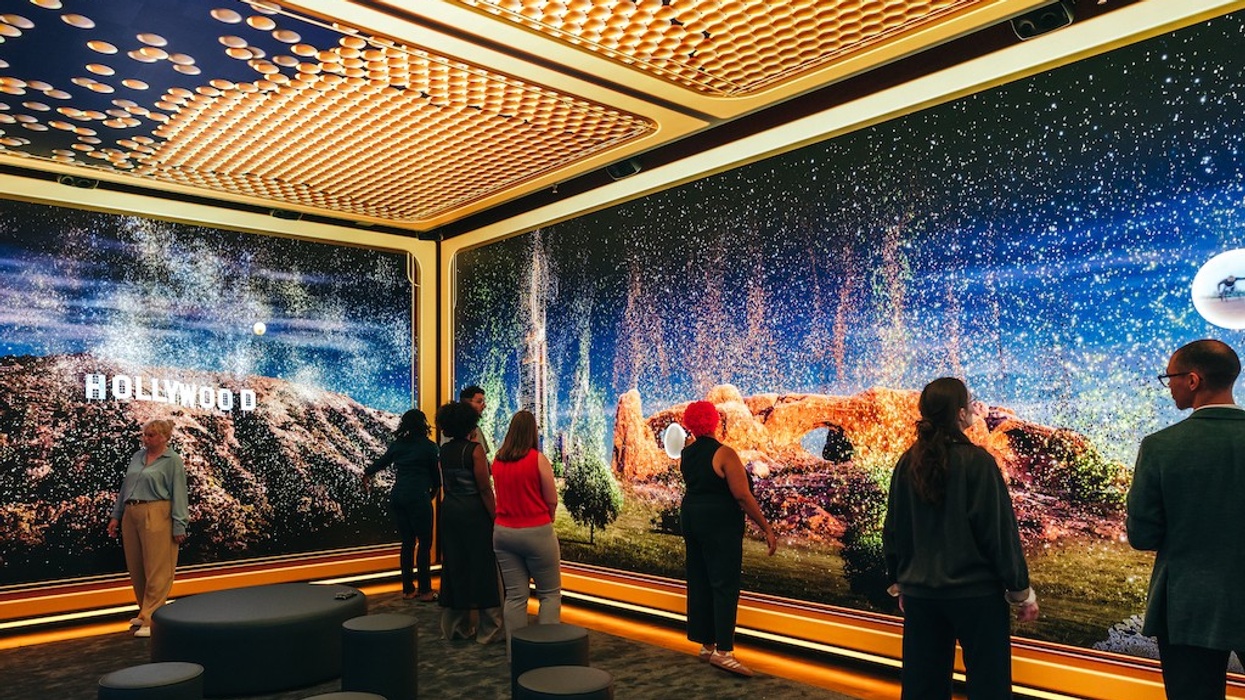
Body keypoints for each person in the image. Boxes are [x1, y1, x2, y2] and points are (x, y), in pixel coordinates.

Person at [882, 377, 1037, 699]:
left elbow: (894, 529)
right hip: (976, 598)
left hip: (921, 596)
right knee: (988, 686)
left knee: (922, 688)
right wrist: (1020, 591)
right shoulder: (978, 462)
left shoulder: (906, 462)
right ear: (961, 413)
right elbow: (998, 533)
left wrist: (900, 581)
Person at [1127, 339, 1245, 700]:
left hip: (1187, 604)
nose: (1169, 386)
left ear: (1193, 380)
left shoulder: (1161, 446)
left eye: (1171, 377)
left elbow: (1143, 535)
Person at [678, 400, 778, 678]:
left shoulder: (687, 454)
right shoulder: (725, 454)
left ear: (691, 423)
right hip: (718, 523)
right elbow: (742, 495)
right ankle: (724, 651)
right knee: (724, 583)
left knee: (700, 579)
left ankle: (707, 644)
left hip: (692, 518)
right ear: (714, 422)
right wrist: (766, 528)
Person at [106, 418, 189, 638]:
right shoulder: (137, 457)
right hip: (132, 512)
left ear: (164, 437)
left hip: (157, 511)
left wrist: (179, 524)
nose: (146, 438)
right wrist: (117, 515)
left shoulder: (172, 461)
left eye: (151, 435)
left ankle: (152, 616)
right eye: (145, 434)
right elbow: (126, 487)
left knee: (157, 566)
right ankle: (144, 610)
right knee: (137, 564)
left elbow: (180, 493)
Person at [491, 409, 561, 655]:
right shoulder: (537, 459)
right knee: (549, 594)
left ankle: (516, 654)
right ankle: (548, 652)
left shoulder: (497, 461)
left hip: (502, 533)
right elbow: (551, 498)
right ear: (532, 432)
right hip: (536, 531)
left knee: (515, 596)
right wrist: (548, 516)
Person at [435, 400, 503, 643]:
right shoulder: (474, 450)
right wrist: (495, 517)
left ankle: (454, 628)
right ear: (469, 424)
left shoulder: (444, 451)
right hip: (474, 512)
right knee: (482, 567)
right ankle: (489, 631)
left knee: (454, 567)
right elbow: (484, 489)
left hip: (450, 511)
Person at [363, 408, 441, 602]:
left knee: (407, 543)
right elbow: (436, 478)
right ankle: (425, 591)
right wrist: (430, 494)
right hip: (418, 497)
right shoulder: (429, 447)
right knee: (424, 544)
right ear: (423, 424)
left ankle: (408, 589)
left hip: (398, 496)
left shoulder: (398, 445)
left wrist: (367, 473)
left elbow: (381, 463)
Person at [459, 385, 491, 457]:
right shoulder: (475, 429)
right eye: (479, 402)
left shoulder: (448, 428)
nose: (484, 406)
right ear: (466, 403)